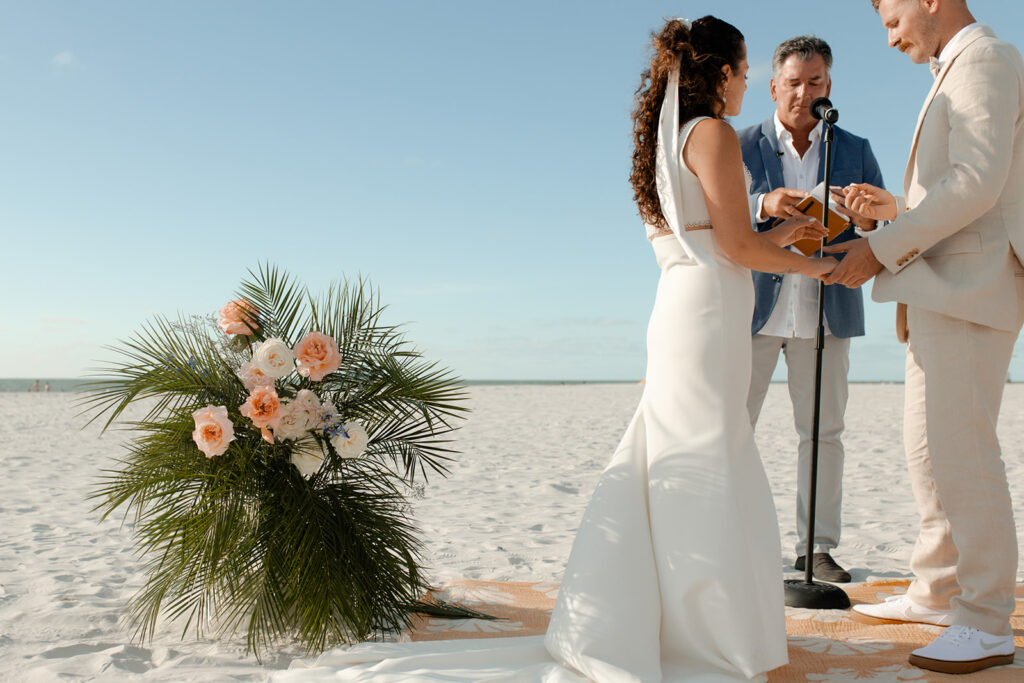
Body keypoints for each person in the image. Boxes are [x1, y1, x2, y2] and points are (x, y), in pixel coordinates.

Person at [275, 16, 835, 682]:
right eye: (744, 71)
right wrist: (817, 264)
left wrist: (778, 229)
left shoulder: (668, 142)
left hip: (684, 309)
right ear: (719, 73)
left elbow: (710, 231)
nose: (746, 84)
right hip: (710, 311)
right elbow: (737, 247)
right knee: (710, 459)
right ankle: (713, 636)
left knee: (681, 456)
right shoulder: (711, 132)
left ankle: (682, 624)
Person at [824, 0, 1024, 675]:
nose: (888, 38)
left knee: (964, 453)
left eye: (890, 18)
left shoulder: (987, 60)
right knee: (930, 450)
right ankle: (939, 588)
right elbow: (966, 189)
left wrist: (879, 249)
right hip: (936, 289)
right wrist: (897, 208)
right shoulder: (956, 70)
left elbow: (975, 183)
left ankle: (986, 619)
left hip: (969, 289)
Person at [738, 36, 885, 583]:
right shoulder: (738, 143)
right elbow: (714, 212)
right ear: (773, 86)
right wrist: (762, 205)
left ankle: (816, 548)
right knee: (735, 426)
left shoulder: (856, 146)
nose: (804, 93)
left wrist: (866, 217)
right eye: (794, 82)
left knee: (824, 433)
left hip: (828, 309)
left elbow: (881, 226)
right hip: (753, 309)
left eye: (816, 82)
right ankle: (730, 533)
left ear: (829, 87)